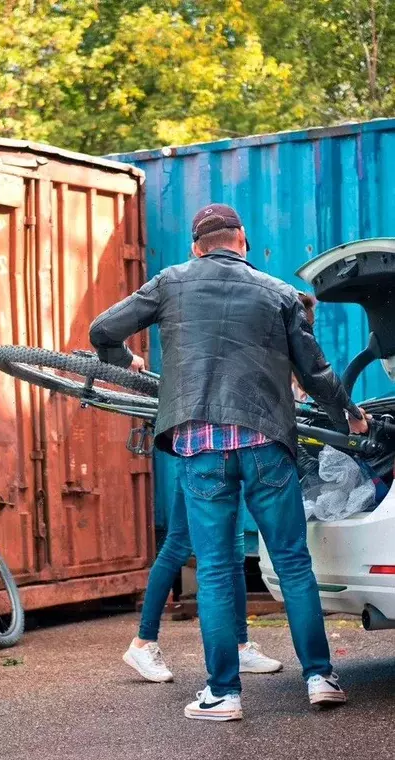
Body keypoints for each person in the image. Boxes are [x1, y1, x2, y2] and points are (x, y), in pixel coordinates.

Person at [90, 204, 369, 722]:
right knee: (292, 563)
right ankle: (319, 677)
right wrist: (351, 418)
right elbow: (315, 373)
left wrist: (123, 362)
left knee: (216, 570)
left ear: (197, 246)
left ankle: (224, 694)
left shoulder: (170, 282)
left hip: (201, 449)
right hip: (267, 444)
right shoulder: (280, 293)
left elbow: (103, 328)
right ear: (241, 240)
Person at [123, 453, 282, 683]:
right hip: (198, 457)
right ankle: (143, 641)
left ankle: (239, 646)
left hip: (227, 458)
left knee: (234, 553)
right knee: (177, 546)